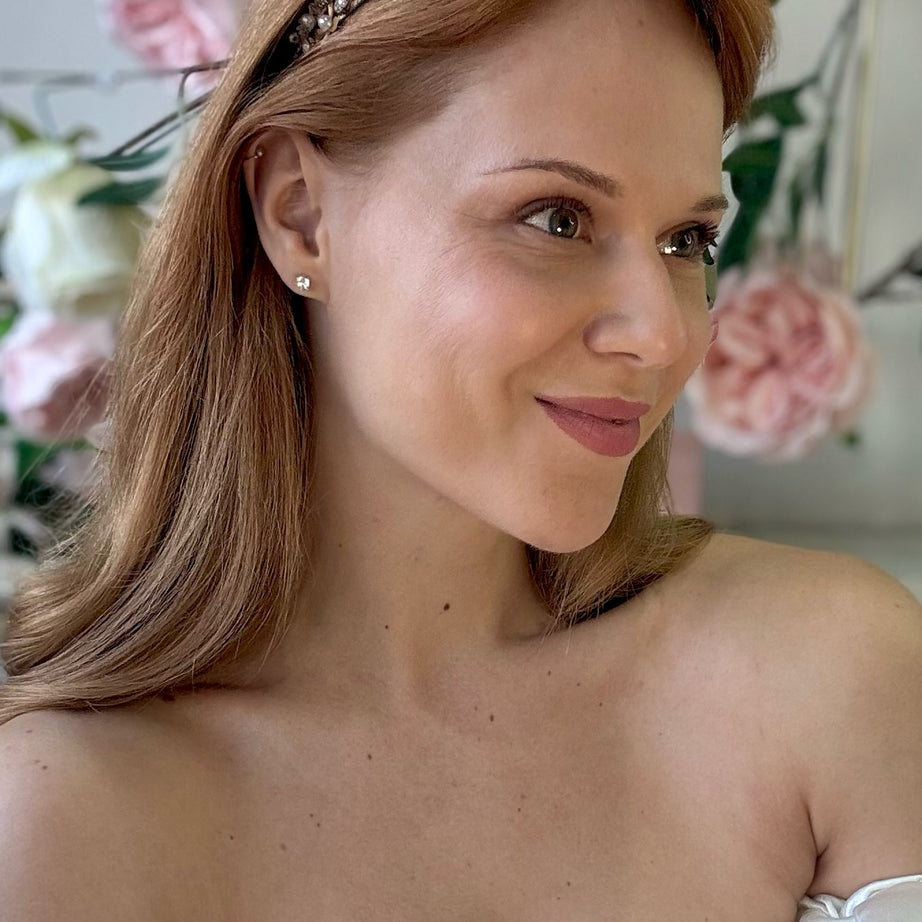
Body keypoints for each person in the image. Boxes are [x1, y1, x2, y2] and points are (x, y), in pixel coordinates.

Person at [1, 0, 920, 918]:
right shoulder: (67, 822)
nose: (663, 334)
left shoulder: (831, 676)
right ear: (300, 214)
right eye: (557, 219)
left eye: (687, 241)